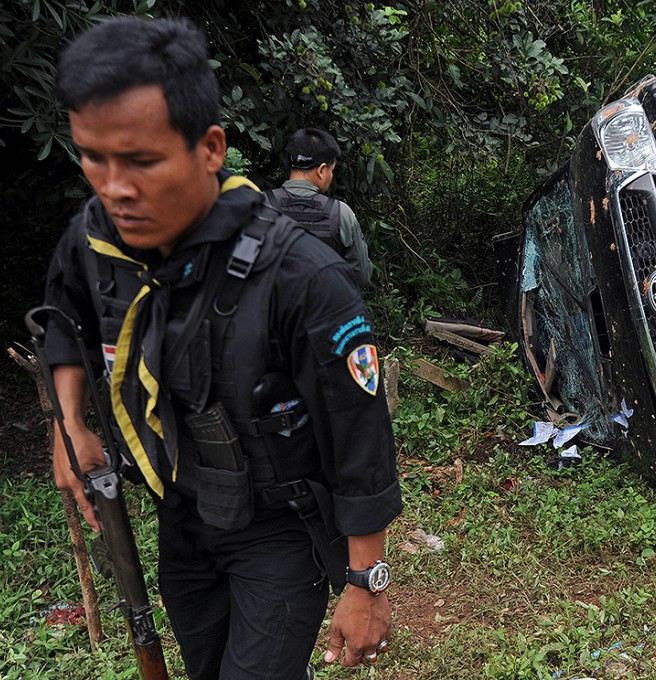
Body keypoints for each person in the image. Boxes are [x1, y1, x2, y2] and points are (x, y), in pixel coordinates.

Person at [43, 16, 401, 679]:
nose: (115, 187)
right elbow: (63, 310)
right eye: (94, 156)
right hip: (182, 518)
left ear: (210, 148)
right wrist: (70, 420)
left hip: (278, 528)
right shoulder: (98, 239)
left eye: (143, 161)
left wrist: (367, 582)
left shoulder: (303, 279)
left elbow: (360, 436)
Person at [265, 128, 372, 288]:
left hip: (268, 310)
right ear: (322, 170)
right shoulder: (341, 213)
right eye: (332, 170)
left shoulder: (259, 204)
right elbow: (361, 276)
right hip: (324, 309)